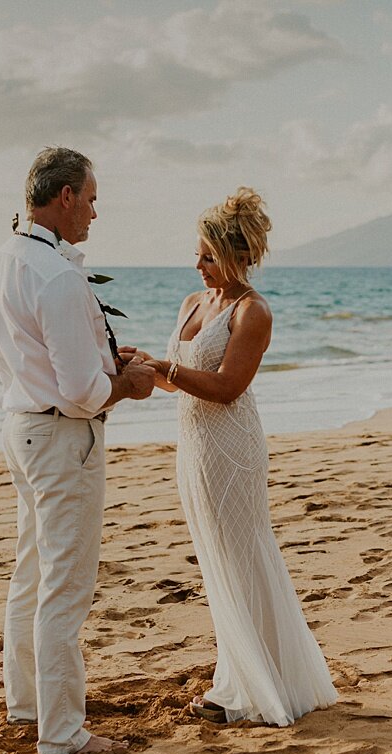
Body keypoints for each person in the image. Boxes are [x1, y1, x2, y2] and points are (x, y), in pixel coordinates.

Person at [0, 146, 156, 754]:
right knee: (66, 586)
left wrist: (107, 361)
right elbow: (80, 392)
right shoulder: (56, 275)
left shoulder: (0, 263)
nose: (96, 214)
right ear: (66, 196)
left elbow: (35, 359)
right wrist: (124, 386)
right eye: (93, 199)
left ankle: (27, 706)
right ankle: (62, 733)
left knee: (30, 572)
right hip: (59, 439)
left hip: (22, 427)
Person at [131, 187, 338, 726]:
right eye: (196, 254)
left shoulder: (254, 311)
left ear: (239, 256)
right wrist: (138, 365)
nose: (198, 266)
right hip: (194, 447)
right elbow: (175, 384)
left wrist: (167, 368)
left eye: (208, 255)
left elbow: (226, 387)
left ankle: (251, 687)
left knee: (243, 560)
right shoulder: (192, 305)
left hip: (233, 449)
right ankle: (239, 674)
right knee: (215, 560)